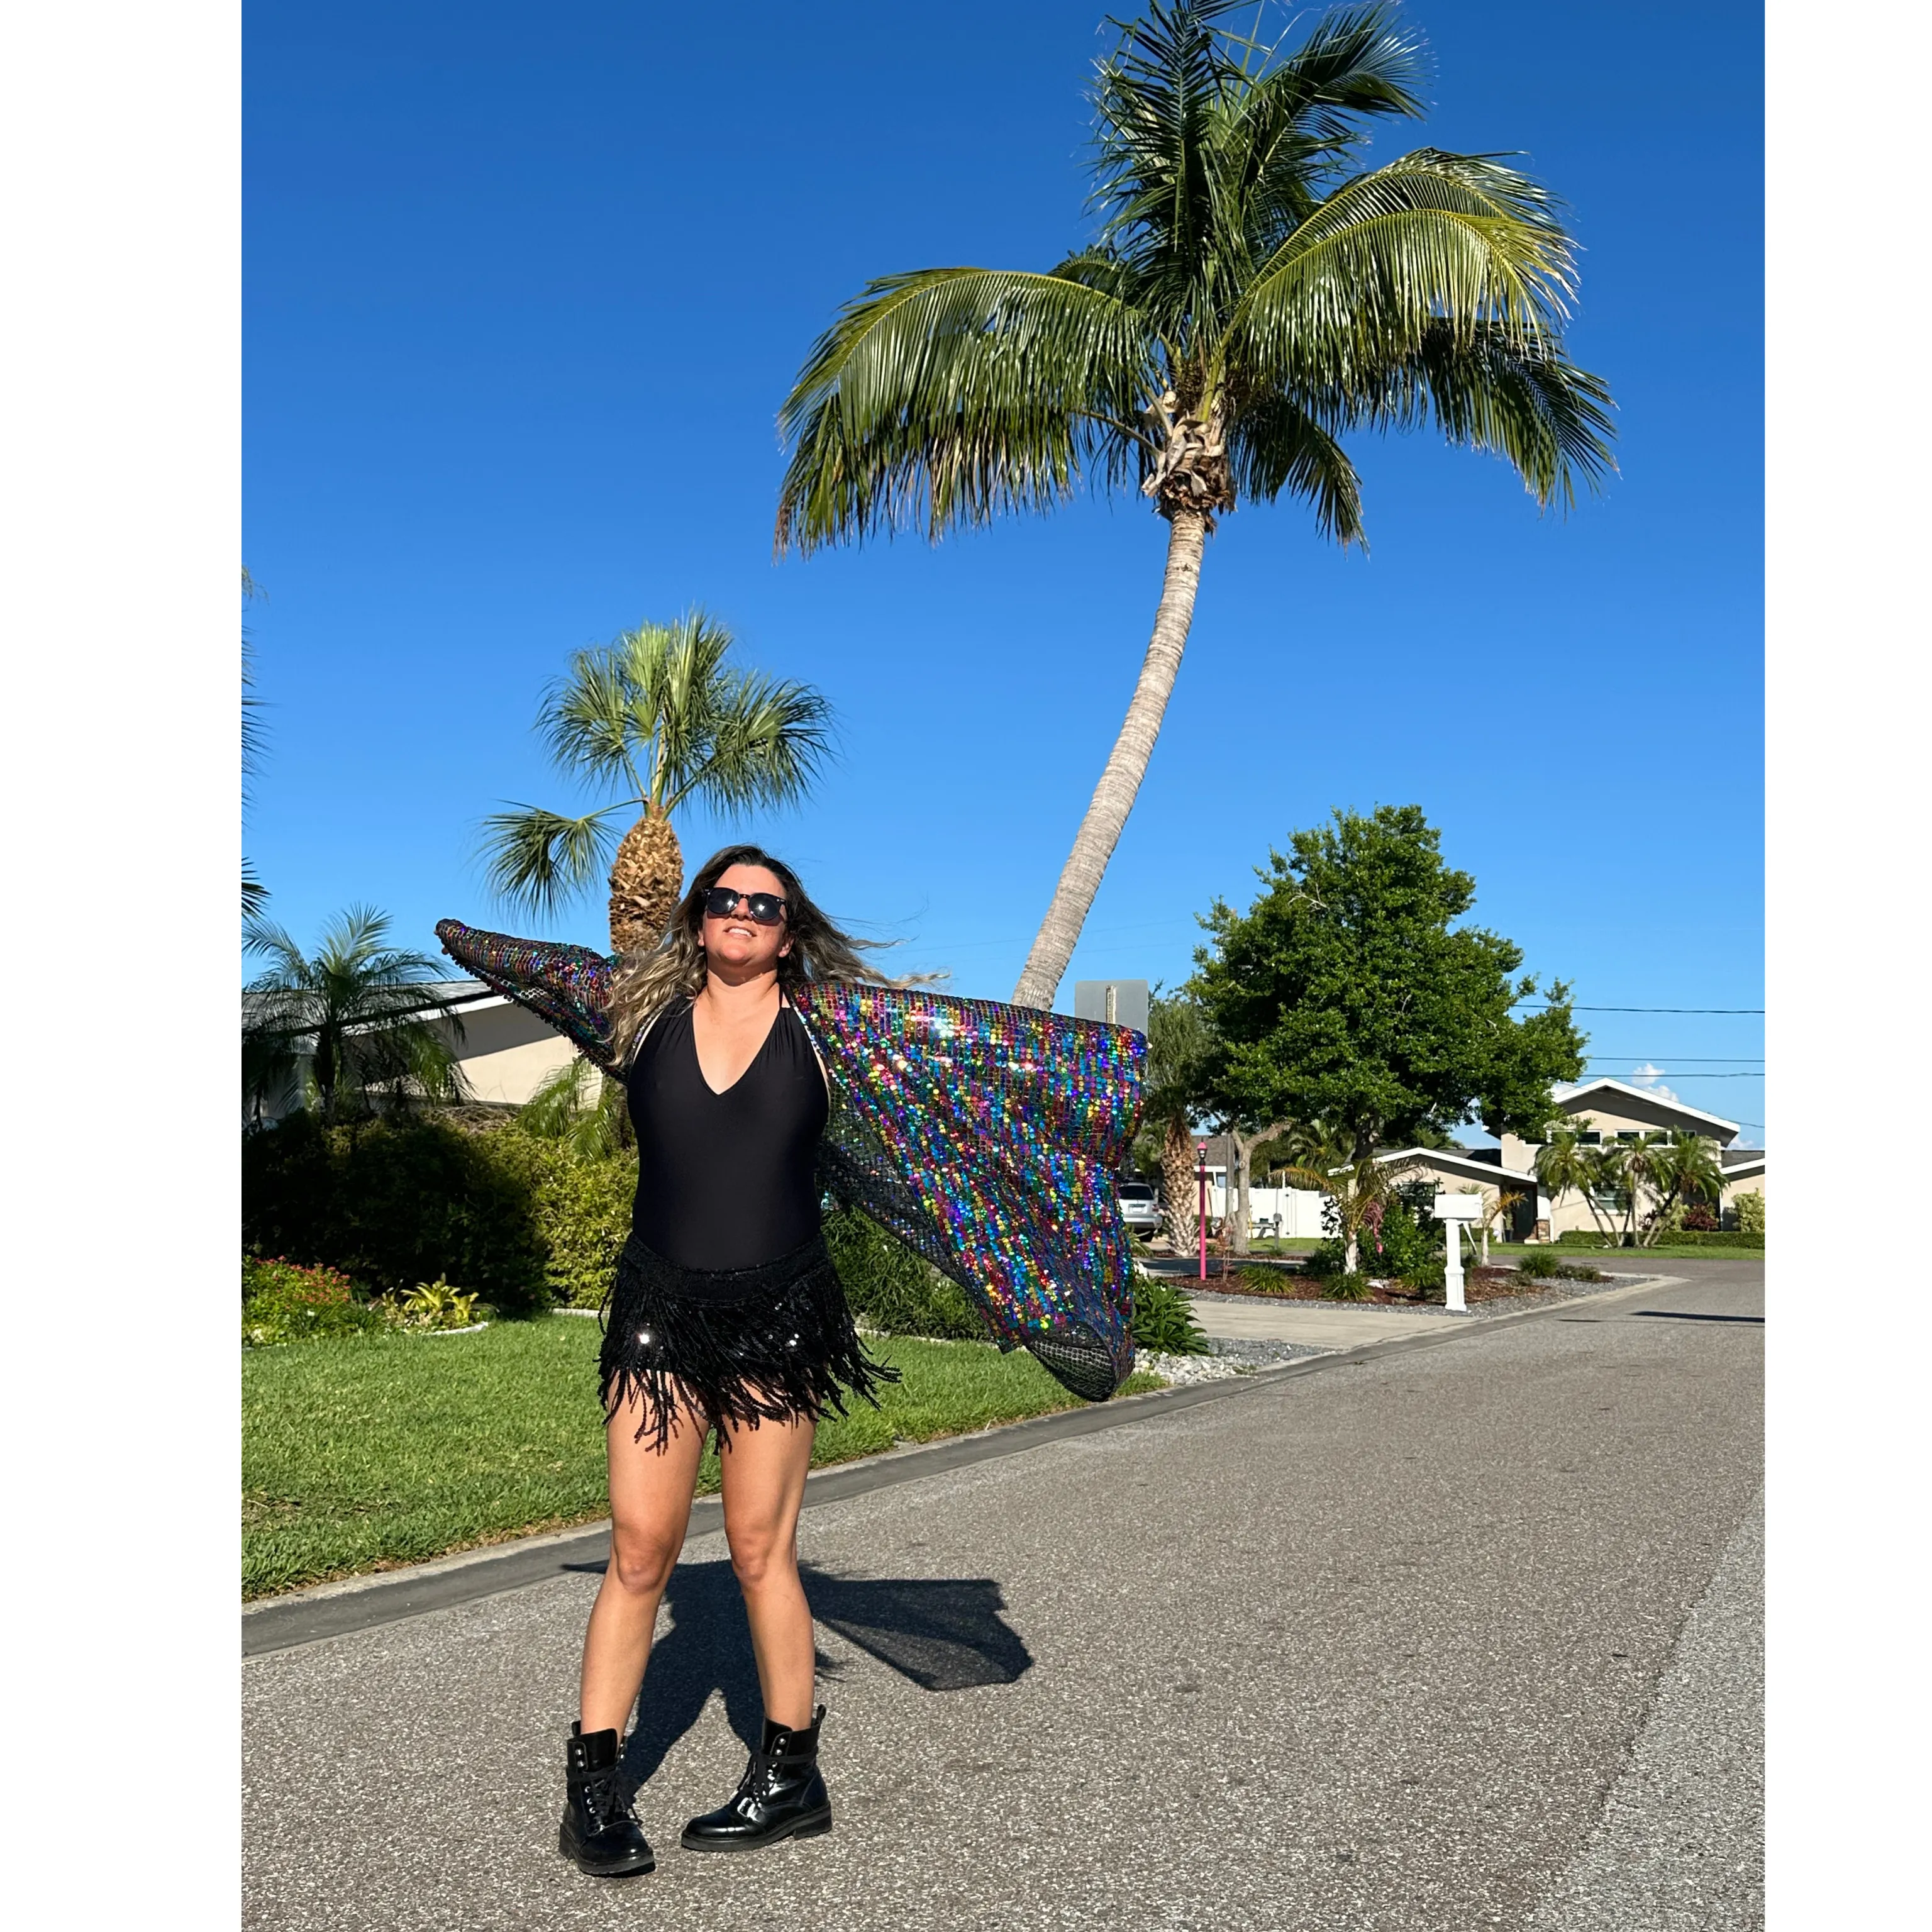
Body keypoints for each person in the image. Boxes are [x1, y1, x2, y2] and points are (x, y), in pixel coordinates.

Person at [435, 844, 1145, 1880]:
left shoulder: (838, 1032)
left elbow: (976, 1066)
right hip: (658, 1315)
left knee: (764, 1550)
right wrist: (466, 939)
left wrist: (1098, 1091)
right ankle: (594, 1793)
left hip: (780, 1317)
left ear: (788, 926)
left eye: (763, 905)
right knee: (640, 1550)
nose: (742, 914)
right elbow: (543, 969)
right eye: (724, 899)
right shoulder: (637, 1015)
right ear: (699, 916)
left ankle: (789, 1779)